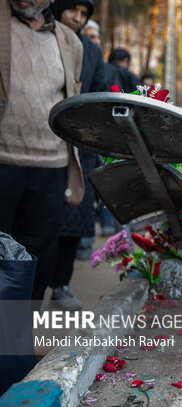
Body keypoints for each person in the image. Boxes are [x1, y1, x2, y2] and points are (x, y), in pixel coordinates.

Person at [0, 0, 84, 303]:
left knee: (38, 255)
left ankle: (18, 333)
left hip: (52, 164)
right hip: (3, 159)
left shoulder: (69, 40)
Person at [49, 0, 107, 310]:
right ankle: (29, 295)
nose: (78, 18)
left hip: (79, 145)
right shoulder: (45, 39)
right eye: (74, 10)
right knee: (42, 223)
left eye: (84, 14)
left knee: (73, 221)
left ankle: (61, 284)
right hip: (44, 145)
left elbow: (97, 92)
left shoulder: (92, 51)